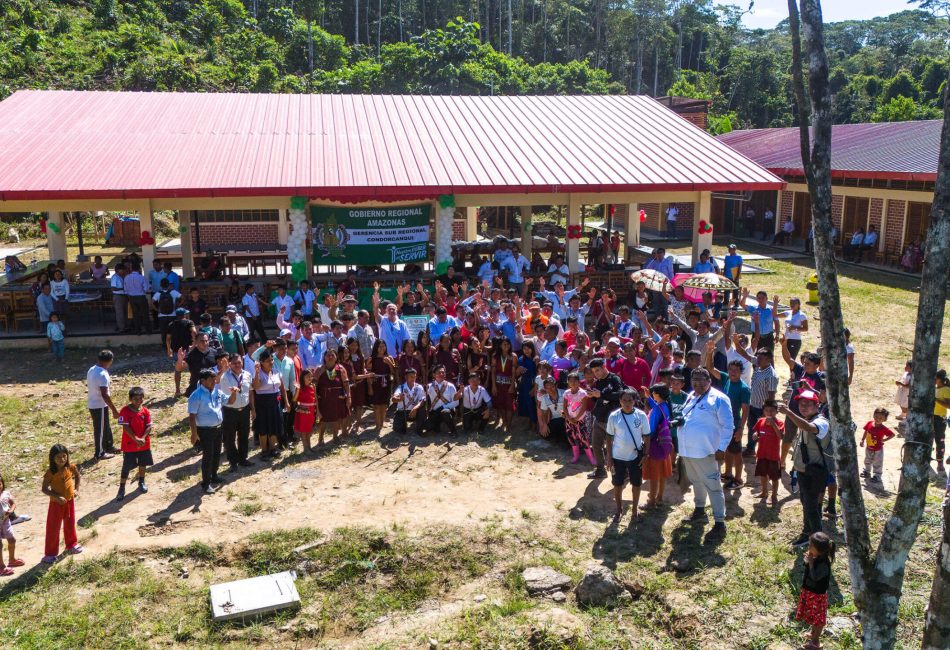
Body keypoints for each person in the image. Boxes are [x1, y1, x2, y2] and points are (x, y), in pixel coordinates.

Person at [677, 367, 734, 536]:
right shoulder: (691, 395)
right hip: (687, 450)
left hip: (707, 451)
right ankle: (700, 510)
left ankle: (719, 522)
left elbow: (728, 426)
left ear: (709, 381)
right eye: (695, 379)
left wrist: (722, 448)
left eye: (702, 379)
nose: (698, 383)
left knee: (714, 487)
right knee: (696, 481)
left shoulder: (719, 399)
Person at [779, 389, 833, 547]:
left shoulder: (820, 422)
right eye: (801, 404)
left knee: (811, 507)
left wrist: (789, 413)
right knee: (807, 503)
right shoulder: (806, 419)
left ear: (817, 405)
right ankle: (807, 533)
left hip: (814, 473)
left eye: (808, 404)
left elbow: (810, 428)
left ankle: (818, 542)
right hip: (804, 472)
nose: (803, 407)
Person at [188, 368, 238, 495]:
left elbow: (230, 401)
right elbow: (192, 416)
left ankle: (214, 475)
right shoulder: (196, 395)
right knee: (208, 456)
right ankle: (206, 483)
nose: (214, 382)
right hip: (205, 431)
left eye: (215, 379)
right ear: (203, 380)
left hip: (218, 428)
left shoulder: (217, 391)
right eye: (211, 380)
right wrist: (194, 434)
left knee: (217, 453)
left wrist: (234, 393)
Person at [606, 389, 650, 525]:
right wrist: (609, 457)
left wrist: (646, 454)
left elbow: (647, 436)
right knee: (617, 484)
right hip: (617, 457)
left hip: (635, 457)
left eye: (630, 400)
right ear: (619, 401)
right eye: (624, 400)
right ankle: (619, 510)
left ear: (635, 401)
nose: (627, 403)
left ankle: (635, 510)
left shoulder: (641, 416)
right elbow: (609, 438)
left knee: (636, 484)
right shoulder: (614, 416)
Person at [705, 359, 750, 489]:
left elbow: (745, 411)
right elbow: (710, 367)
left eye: (736, 370)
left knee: (737, 453)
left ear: (741, 372)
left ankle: (739, 479)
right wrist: (709, 352)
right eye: (730, 369)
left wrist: (741, 429)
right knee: (727, 449)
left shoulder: (744, 389)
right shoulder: (725, 378)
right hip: (722, 423)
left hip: (735, 425)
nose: (733, 372)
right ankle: (728, 473)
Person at [41, 444, 82, 563]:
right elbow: (44, 489)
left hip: (69, 502)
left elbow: (78, 476)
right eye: (58, 457)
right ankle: (50, 553)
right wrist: (57, 497)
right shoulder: (50, 472)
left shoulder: (70, 467)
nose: (62, 459)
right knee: (53, 528)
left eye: (64, 456)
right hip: (56, 504)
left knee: (70, 523)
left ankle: (71, 545)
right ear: (52, 458)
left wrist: (76, 489)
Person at [586, 357, 625, 479]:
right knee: (596, 445)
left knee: (614, 448)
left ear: (604, 367)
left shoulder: (614, 378)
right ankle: (600, 470)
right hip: (599, 418)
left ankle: (622, 473)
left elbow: (620, 394)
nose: (595, 374)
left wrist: (601, 394)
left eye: (597, 370)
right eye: (594, 371)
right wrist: (592, 395)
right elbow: (600, 398)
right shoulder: (599, 382)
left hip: (612, 420)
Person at [795, 532, 835, 650]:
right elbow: (808, 568)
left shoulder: (824, 564)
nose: (808, 547)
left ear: (819, 549)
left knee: (818, 620)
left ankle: (815, 642)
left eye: (810, 545)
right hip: (810, 592)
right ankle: (813, 635)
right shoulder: (816, 557)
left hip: (817, 595)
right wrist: (808, 561)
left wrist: (811, 564)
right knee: (813, 616)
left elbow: (815, 577)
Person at [115, 387, 153, 501]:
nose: (139, 401)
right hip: (129, 445)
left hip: (143, 444)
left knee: (143, 463)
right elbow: (125, 426)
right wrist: (136, 438)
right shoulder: (125, 411)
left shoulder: (145, 411)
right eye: (136, 399)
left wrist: (142, 438)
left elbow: (149, 426)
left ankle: (141, 481)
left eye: (141, 398)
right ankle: (121, 488)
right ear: (130, 399)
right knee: (126, 467)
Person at [219, 353, 254, 471]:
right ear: (230, 364)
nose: (237, 365)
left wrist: (252, 409)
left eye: (239, 362)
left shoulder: (248, 375)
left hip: (244, 409)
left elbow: (250, 392)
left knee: (244, 435)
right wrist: (223, 370)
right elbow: (216, 380)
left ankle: (243, 458)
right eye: (234, 363)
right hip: (230, 411)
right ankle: (233, 461)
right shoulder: (225, 376)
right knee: (230, 437)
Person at [252, 350, 289, 459]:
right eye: (268, 360)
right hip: (262, 403)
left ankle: (272, 449)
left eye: (272, 359)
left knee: (274, 426)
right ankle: (264, 451)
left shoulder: (276, 370)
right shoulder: (258, 373)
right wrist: (257, 373)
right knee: (263, 427)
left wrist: (286, 402)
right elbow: (256, 387)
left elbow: (282, 388)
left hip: (275, 402)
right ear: (262, 362)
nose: (271, 362)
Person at [643, 383, 674, 510]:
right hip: (665, 445)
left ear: (657, 394)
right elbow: (657, 406)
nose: (652, 394)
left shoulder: (656, 409)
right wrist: (649, 398)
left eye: (653, 393)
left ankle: (651, 502)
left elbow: (651, 429)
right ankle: (659, 498)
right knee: (662, 473)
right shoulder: (665, 405)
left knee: (653, 474)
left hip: (654, 445)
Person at [87, 349, 120, 460]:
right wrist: (114, 410)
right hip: (98, 405)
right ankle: (99, 453)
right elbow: (105, 394)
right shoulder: (102, 374)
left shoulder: (92, 369)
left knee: (105, 427)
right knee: (100, 429)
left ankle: (109, 446)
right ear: (110, 361)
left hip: (94, 403)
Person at [314, 348, 351, 446]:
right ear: (324, 357)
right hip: (324, 398)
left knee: (337, 418)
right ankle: (320, 439)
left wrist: (348, 397)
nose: (330, 357)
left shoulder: (341, 368)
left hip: (338, 397)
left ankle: (335, 436)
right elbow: (313, 385)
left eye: (332, 355)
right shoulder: (319, 369)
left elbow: (346, 384)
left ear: (336, 357)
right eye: (328, 355)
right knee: (323, 420)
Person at [752, 399, 784, 505]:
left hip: (773, 456)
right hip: (762, 454)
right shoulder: (760, 421)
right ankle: (764, 492)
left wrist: (773, 425)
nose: (769, 413)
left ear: (776, 411)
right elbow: (757, 432)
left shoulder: (780, 423)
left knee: (774, 477)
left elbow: (781, 436)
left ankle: (774, 495)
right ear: (764, 411)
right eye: (767, 410)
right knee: (763, 474)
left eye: (772, 410)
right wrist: (756, 435)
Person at [367, 340, 396, 433]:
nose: (382, 348)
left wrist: (389, 364)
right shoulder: (372, 358)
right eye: (379, 346)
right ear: (376, 347)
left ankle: (382, 423)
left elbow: (393, 372)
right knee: (376, 405)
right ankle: (377, 424)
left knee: (384, 404)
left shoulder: (389, 357)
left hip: (386, 383)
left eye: (384, 346)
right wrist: (370, 387)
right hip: (375, 382)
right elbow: (368, 374)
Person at [176, 331, 217, 397]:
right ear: (196, 342)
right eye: (202, 341)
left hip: (213, 386)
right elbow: (179, 368)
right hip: (196, 387)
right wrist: (180, 359)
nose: (205, 343)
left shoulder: (214, 352)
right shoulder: (191, 355)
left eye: (206, 341)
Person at [860, 408, 895, 483]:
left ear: (884, 419)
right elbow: (866, 431)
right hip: (869, 447)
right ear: (873, 415)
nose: (878, 419)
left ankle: (877, 476)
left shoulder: (883, 428)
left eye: (881, 418)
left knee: (877, 463)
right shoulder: (869, 423)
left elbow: (892, 434)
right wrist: (862, 440)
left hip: (878, 450)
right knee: (867, 460)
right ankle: (867, 471)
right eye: (876, 417)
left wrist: (885, 440)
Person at [491, 338, 519, 432]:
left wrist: (512, 386)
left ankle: (509, 426)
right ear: (500, 345)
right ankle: (505, 422)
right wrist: (494, 386)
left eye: (508, 344)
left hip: (508, 385)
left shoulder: (513, 356)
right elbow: (493, 372)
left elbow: (514, 373)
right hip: (498, 385)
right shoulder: (495, 356)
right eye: (504, 344)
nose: (506, 346)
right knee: (501, 405)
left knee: (509, 406)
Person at [167, 308, 196, 398]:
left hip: (176, 350)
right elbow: (194, 332)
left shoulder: (171, 324)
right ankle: (193, 389)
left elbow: (168, 338)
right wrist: (195, 343)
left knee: (178, 370)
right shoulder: (189, 322)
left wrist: (169, 349)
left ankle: (177, 391)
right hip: (188, 349)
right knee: (193, 369)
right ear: (184, 315)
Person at [0, 474, 24, 575]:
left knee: (12, 540)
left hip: (5, 521)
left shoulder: (6, 494)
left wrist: (10, 511)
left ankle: (12, 560)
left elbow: (13, 504)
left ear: (2, 483)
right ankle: (1, 567)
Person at [392, 367, 427, 436]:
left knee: (422, 410)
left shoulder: (419, 387)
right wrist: (399, 399)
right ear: (406, 377)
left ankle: (419, 429)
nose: (413, 379)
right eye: (411, 377)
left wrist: (415, 408)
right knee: (398, 430)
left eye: (414, 377)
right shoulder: (401, 387)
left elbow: (422, 400)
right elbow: (394, 398)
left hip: (415, 411)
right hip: (403, 411)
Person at [426, 365, 459, 435]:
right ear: (434, 375)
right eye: (439, 372)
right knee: (428, 427)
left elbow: (456, 402)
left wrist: (443, 407)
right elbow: (423, 398)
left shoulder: (450, 386)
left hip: (448, 411)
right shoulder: (429, 386)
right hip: (435, 412)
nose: (441, 374)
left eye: (443, 372)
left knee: (445, 412)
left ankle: (453, 431)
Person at [153, 278, 182, 350]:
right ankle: (173, 345)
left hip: (162, 316)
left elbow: (152, 303)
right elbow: (183, 298)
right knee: (173, 331)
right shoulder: (174, 292)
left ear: (160, 285)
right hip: (172, 315)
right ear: (169, 285)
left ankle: (165, 346)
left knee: (163, 332)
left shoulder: (158, 293)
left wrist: (157, 310)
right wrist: (177, 306)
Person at [124, 263, 151, 335]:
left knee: (135, 314)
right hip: (141, 297)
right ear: (139, 269)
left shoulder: (127, 277)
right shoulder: (141, 277)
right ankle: (148, 330)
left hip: (131, 298)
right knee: (145, 314)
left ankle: (138, 331)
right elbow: (146, 288)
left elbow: (125, 289)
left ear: (131, 269)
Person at [538, 376, 566, 442]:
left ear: (556, 386)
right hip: (555, 420)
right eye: (547, 388)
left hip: (566, 419)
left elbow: (568, 409)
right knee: (544, 434)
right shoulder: (545, 398)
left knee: (562, 428)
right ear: (545, 389)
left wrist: (564, 416)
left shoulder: (564, 393)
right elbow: (544, 413)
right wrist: (544, 425)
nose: (550, 390)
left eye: (552, 387)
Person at [934, 369, 950, 473]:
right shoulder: (934, 388)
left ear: (939, 379)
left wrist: (935, 400)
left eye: (935, 378)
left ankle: (940, 462)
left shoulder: (946, 390)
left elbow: (948, 405)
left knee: (940, 441)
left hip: (940, 418)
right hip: (930, 416)